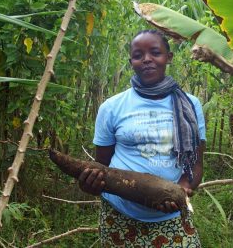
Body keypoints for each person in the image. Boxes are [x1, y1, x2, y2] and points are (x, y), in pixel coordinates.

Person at [78, 30, 206, 247]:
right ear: (131, 62)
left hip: (171, 215)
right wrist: (92, 183)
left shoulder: (190, 105)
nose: (147, 59)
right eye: (138, 55)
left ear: (169, 57)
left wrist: (182, 191)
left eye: (155, 53)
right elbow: (103, 166)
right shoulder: (112, 107)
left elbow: (196, 162)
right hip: (119, 214)